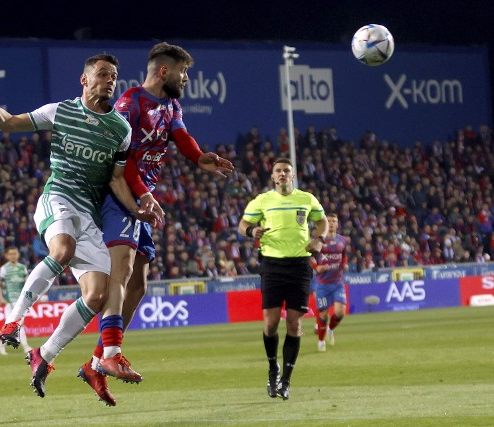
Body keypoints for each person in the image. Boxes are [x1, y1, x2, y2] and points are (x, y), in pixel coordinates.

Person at [0, 53, 161, 402]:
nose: (109, 80)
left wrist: (137, 210)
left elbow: (116, 180)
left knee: (99, 294)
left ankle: (45, 355)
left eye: (113, 75)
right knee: (62, 250)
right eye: (101, 74)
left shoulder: (121, 129)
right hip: (58, 199)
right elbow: (8, 123)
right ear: (84, 80)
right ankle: (15, 319)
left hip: (91, 217)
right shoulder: (60, 112)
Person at [82, 42, 234, 402]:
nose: (186, 79)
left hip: (143, 199)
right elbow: (123, 161)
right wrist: (142, 195)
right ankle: (112, 354)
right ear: (164, 71)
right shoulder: (130, 104)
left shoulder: (172, 105)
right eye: (184, 72)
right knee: (121, 269)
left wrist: (201, 159)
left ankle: (95, 362)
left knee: (138, 284)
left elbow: (181, 137)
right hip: (119, 195)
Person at [238, 157, 327, 401]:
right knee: (270, 323)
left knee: (295, 324)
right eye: (278, 170)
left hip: (299, 264)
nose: (282, 174)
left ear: (293, 175)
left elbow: (323, 221)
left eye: (286, 170)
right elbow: (242, 223)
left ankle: (286, 380)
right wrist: (251, 231)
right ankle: (273, 369)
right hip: (272, 264)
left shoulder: (306, 198)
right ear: (273, 176)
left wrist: (319, 239)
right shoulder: (262, 200)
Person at [309, 213, 348, 352]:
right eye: (329, 221)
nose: (331, 223)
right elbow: (311, 258)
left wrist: (344, 264)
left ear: (337, 224)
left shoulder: (343, 240)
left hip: (338, 282)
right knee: (324, 314)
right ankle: (321, 341)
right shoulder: (319, 241)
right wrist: (317, 267)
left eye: (334, 221)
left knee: (340, 312)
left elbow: (344, 256)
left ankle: (330, 329)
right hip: (322, 284)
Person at [0, 246, 32, 356]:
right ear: (6, 256)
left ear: (18, 254)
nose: (13, 256)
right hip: (10, 300)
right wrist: (1, 298)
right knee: (17, 324)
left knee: (14, 325)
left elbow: (28, 284)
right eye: (10, 254)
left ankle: (1, 346)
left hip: (21, 300)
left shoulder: (22, 268)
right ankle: (25, 347)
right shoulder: (4, 269)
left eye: (14, 253)